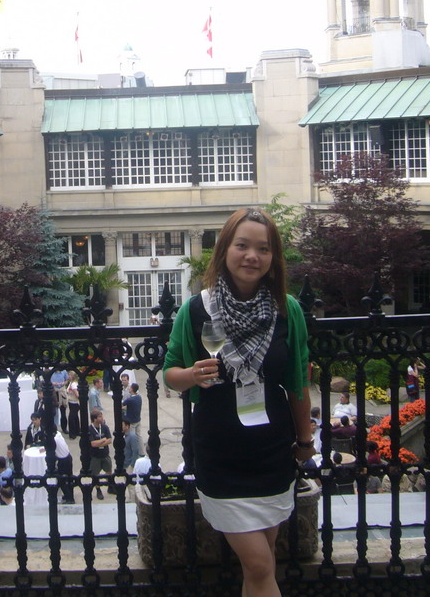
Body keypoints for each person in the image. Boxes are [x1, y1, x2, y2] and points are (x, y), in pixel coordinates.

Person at [163, 207, 312, 597]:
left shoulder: (287, 310)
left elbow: (297, 382)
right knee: (260, 562)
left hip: (272, 451)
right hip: (220, 452)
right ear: (225, 250)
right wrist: (192, 375)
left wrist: (305, 442)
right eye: (242, 245)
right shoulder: (197, 309)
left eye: (263, 249)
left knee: (260, 567)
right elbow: (170, 374)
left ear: (273, 257)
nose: (252, 256)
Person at [88, 408, 112, 500]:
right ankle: (98, 490)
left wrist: (99, 443)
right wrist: (102, 440)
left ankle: (110, 486)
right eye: (100, 417)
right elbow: (93, 444)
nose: (102, 418)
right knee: (95, 474)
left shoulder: (104, 427)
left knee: (109, 471)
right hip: (95, 456)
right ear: (94, 419)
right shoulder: (90, 429)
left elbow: (109, 440)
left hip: (105, 454)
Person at [67, 371, 81, 439]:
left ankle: (73, 433)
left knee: (71, 418)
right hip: (71, 402)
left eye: (70, 375)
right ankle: (77, 430)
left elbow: (77, 394)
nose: (68, 376)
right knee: (75, 417)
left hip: (74, 403)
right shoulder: (71, 383)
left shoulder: (73, 384)